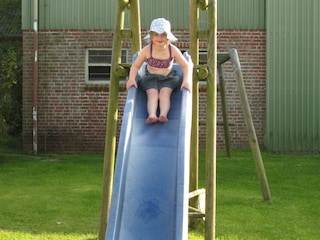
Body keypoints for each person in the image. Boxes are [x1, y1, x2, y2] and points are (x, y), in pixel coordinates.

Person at [126, 18, 192, 124]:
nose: (159, 37)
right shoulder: (147, 50)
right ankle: (152, 114)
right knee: (152, 94)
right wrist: (131, 79)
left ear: (168, 37)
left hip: (168, 78)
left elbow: (185, 65)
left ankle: (163, 114)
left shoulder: (172, 50)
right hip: (150, 77)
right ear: (151, 37)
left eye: (163, 35)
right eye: (156, 34)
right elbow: (136, 65)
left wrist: (186, 80)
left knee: (164, 94)